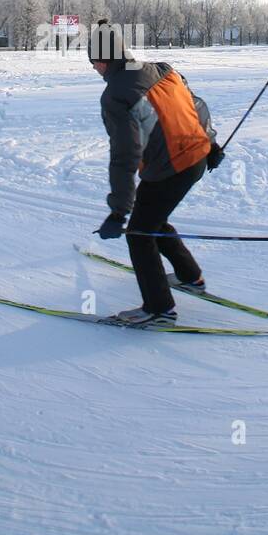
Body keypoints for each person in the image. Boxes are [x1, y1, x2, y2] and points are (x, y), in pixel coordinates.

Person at [88, 20, 224, 327]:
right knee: (153, 219)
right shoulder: (163, 68)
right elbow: (197, 106)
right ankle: (191, 277)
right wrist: (211, 144)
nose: (95, 69)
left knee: (139, 234)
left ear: (103, 60)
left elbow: (124, 156)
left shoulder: (114, 96)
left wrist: (118, 214)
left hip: (169, 169)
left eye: (94, 63)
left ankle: (159, 309)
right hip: (196, 159)